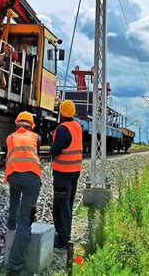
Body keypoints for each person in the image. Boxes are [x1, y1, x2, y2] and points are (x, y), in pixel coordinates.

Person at [4, 111, 42, 274]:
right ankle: (15, 265)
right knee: (25, 221)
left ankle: (10, 230)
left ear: (17, 123)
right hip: (32, 178)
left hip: (13, 176)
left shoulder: (10, 138)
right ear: (31, 125)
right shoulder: (36, 137)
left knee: (14, 202)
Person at [50, 99, 83, 249]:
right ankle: (65, 234)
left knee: (61, 206)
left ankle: (63, 240)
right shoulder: (77, 126)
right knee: (68, 204)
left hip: (62, 173)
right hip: (75, 172)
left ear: (61, 113)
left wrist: (52, 145)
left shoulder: (62, 128)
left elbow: (55, 150)